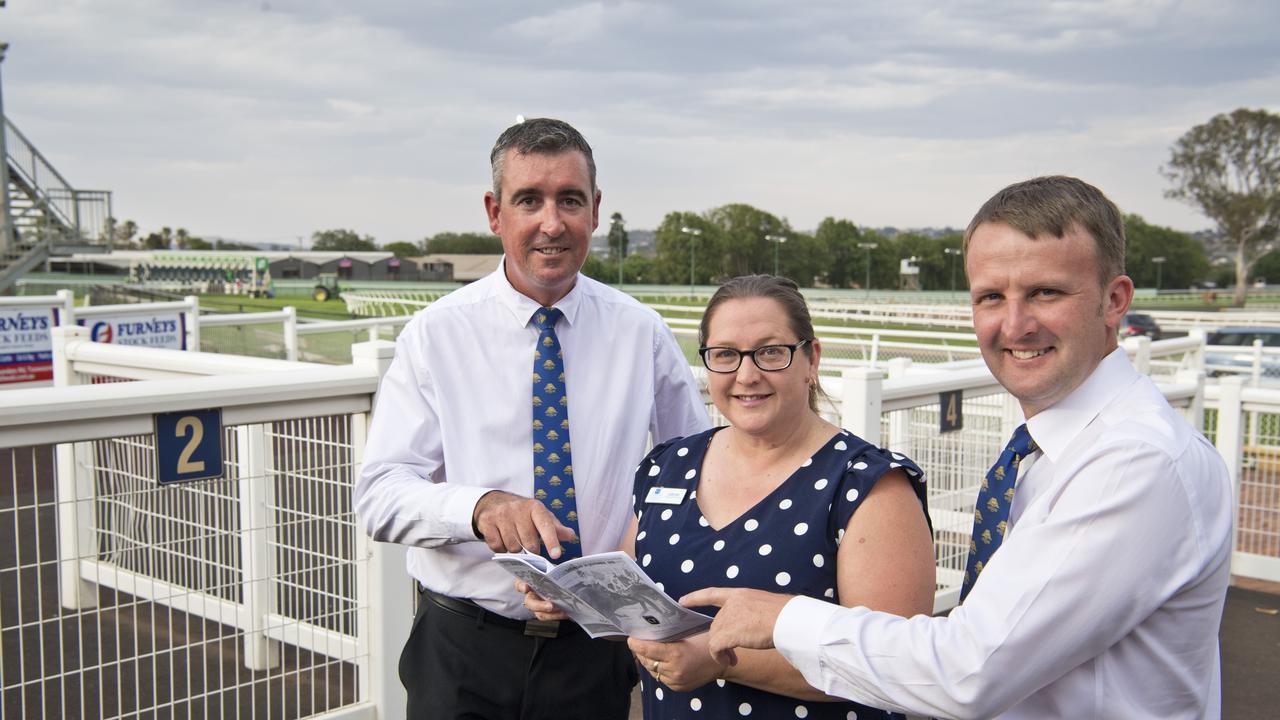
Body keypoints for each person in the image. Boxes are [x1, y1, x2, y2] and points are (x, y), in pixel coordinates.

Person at [685, 176, 1234, 719]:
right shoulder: (1050, 450)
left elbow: (970, 671)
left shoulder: (1135, 461)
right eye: (991, 297)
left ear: (1115, 301)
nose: (1014, 324)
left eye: (1046, 291)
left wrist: (783, 620)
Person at [356, 117, 709, 720]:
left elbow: (694, 475)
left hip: (595, 656)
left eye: (569, 199)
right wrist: (479, 507)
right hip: (462, 651)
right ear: (496, 213)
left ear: (594, 210)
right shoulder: (436, 335)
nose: (552, 222)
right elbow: (379, 498)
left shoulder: (641, 333)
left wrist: (621, 581)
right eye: (529, 201)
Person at [523, 274, 936, 719]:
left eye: (770, 352)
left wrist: (719, 662)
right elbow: (634, 595)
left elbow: (894, 664)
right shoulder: (669, 465)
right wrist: (571, 598)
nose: (747, 374)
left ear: (811, 360)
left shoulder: (866, 484)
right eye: (725, 355)